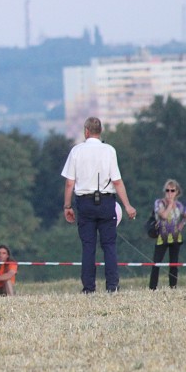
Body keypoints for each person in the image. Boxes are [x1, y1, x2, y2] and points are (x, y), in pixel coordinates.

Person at [61, 117, 137, 293]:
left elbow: (69, 184)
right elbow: (117, 181)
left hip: (85, 203)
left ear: (86, 131)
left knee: (88, 246)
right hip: (106, 202)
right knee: (109, 245)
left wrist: (67, 206)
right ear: (100, 131)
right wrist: (127, 206)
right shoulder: (109, 150)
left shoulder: (76, 151)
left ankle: (88, 287)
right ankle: (112, 285)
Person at [149, 179, 186, 290]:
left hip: (175, 237)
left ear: (177, 192)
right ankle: (152, 287)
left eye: (172, 191)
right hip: (162, 237)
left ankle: (173, 286)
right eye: (167, 190)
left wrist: (182, 224)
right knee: (156, 263)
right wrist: (170, 204)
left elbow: (185, 217)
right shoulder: (159, 203)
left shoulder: (179, 205)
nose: (170, 193)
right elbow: (163, 215)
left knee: (174, 264)